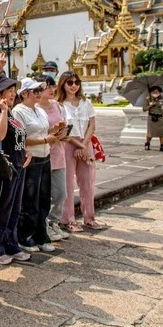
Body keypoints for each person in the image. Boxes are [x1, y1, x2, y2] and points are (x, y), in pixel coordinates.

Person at [0, 74, 31, 264]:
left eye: (14, 92)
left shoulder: (11, 113)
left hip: (19, 165)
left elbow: (18, 137)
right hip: (5, 167)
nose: (13, 95)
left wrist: (26, 152)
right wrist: (3, 111)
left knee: (14, 209)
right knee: (2, 208)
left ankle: (11, 243)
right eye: (8, 91)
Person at [12, 77, 59, 254]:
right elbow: (21, 138)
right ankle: (26, 236)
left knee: (44, 198)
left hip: (45, 155)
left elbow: (43, 130)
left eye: (40, 90)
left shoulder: (39, 110)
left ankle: (41, 235)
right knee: (30, 201)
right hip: (32, 158)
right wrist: (46, 139)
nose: (39, 94)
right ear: (24, 94)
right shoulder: (19, 112)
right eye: (35, 91)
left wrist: (55, 132)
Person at [57, 71, 107, 231]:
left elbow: (92, 125)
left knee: (88, 182)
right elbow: (62, 130)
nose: (73, 86)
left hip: (85, 143)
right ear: (63, 84)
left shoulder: (86, 103)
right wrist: (78, 145)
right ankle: (68, 219)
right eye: (69, 83)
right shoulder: (59, 105)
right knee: (68, 184)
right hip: (68, 143)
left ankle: (89, 217)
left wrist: (84, 145)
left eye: (76, 82)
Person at [36, 74, 70, 242]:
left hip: (58, 151)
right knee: (44, 194)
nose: (50, 89)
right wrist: (52, 131)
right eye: (46, 87)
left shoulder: (57, 106)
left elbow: (65, 125)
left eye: (52, 86)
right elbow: (36, 134)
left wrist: (63, 132)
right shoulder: (34, 108)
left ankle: (53, 221)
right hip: (42, 153)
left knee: (61, 193)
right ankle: (44, 226)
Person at [144, 86, 163, 153]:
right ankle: (147, 143)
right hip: (153, 118)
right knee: (150, 132)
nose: (155, 93)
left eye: (157, 92)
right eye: (153, 92)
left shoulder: (162, 99)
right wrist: (150, 105)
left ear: (160, 92)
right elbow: (144, 109)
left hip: (162, 117)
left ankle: (162, 145)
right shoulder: (148, 99)